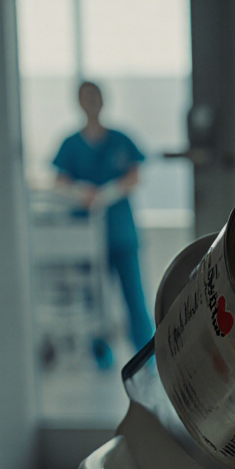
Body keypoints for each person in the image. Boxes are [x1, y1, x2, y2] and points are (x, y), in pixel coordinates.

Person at [53, 81, 155, 366]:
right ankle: (101, 357)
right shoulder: (71, 144)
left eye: (95, 97)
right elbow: (59, 182)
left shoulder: (120, 139)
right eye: (85, 97)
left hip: (120, 232)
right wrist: (81, 193)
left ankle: (147, 359)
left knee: (134, 297)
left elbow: (135, 175)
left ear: (103, 100)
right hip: (85, 237)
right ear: (79, 102)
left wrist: (107, 194)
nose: (91, 102)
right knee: (92, 303)